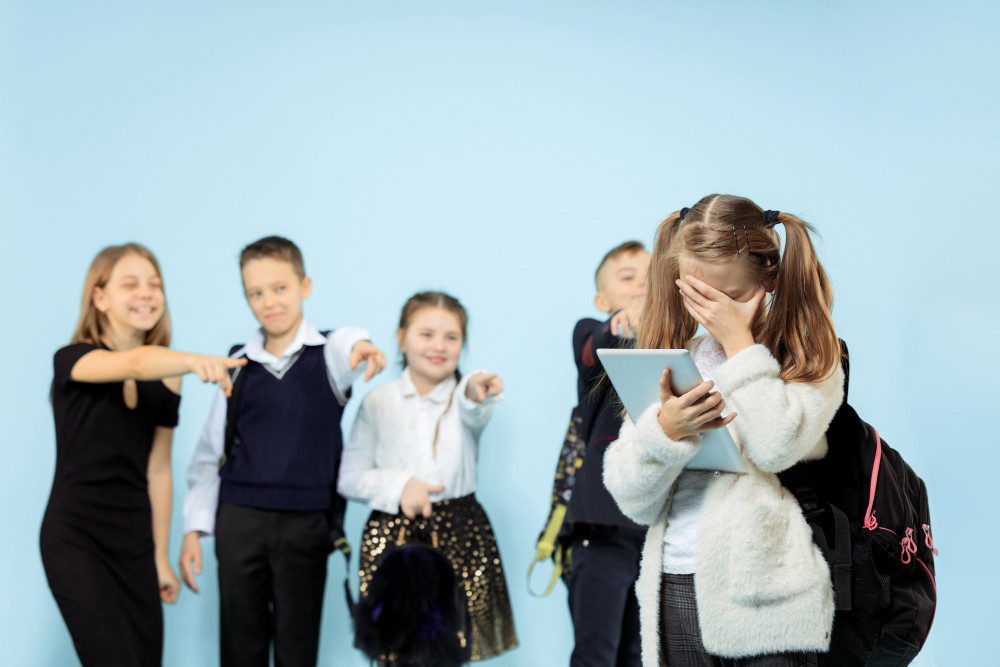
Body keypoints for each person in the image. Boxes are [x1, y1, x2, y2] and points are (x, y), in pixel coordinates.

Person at [603, 194, 846, 666]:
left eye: (730, 298)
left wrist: (740, 346)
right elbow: (633, 499)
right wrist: (665, 432)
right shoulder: (675, 360)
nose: (713, 312)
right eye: (698, 296)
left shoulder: (810, 358)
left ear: (769, 278)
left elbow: (777, 447)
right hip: (672, 586)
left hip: (770, 595)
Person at [178, 236, 386, 667]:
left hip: (306, 525)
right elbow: (208, 456)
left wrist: (360, 347)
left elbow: (347, 343)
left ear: (304, 286)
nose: (269, 301)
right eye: (255, 292)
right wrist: (194, 528)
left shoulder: (327, 355)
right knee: (240, 645)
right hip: (239, 522)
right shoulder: (236, 363)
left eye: (280, 288)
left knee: (297, 646)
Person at [40, 243, 246, 667]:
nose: (147, 294)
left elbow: (157, 471)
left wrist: (158, 558)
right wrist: (191, 360)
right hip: (77, 537)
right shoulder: (73, 360)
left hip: (133, 542)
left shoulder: (169, 377)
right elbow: (133, 364)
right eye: (130, 284)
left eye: (155, 285)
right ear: (99, 298)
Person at [338, 291, 518, 661]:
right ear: (401, 338)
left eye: (451, 337)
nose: (439, 346)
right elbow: (349, 477)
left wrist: (473, 387)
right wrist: (400, 485)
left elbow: (473, 404)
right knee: (395, 648)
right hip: (392, 538)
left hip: (461, 533)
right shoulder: (378, 401)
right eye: (426, 334)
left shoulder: (468, 399)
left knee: (454, 645)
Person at [566, 240, 650, 667]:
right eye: (627, 277)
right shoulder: (595, 333)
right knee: (596, 653)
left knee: (639, 655)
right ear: (603, 299)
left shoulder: (678, 346)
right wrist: (620, 324)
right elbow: (593, 344)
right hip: (602, 528)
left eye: (649, 276)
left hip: (653, 532)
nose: (641, 285)